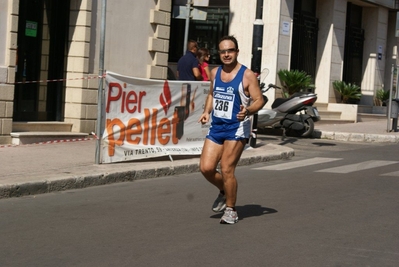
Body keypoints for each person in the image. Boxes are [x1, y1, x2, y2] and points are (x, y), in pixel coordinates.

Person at [197, 36, 265, 225]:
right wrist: (206, 111)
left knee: (226, 169)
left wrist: (248, 110)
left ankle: (231, 209)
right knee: (206, 168)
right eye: (223, 51)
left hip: (236, 128)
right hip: (217, 126)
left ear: (236, 51)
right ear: (219, 53)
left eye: (230, 50)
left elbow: (259, 99)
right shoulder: (215, 72)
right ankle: (225, 190)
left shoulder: (247, 75)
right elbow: (212, 93)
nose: (226, 54)